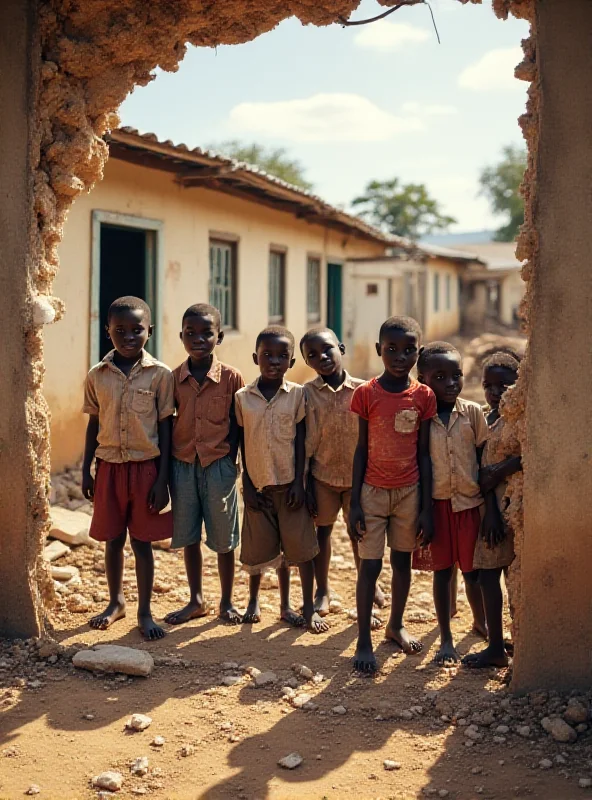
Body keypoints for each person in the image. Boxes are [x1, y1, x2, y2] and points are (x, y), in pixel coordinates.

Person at [81, 296, 174, 640]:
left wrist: (162, 478)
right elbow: (93, 423)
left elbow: (165, 427)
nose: (129, 336)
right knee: (113, 539)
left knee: (142, 542)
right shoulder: (97, 375)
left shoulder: (160, 375)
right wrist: (85, 468)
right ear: (108, 332)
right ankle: (115, 601)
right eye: (120, 330)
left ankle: (145, 611)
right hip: (109, 468)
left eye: (137, 329)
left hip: (145, 468)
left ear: (149, 331)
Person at [349, 316, 436, 672]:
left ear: (418, 351)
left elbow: (425, 454)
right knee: (369, 567)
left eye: (409, 350)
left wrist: (426, 509)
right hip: (371, 491)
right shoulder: (366, 394)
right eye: (392, 350)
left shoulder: (424, 396)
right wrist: (354, 503)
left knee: (402, 563)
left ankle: (395, 624)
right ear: (378, 351)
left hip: (409, 492)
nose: (400, 356)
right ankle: (364, 640)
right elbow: (360, 450)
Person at [235, 325, 328, 634]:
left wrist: (300, 484)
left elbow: (302, 442)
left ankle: (298, 606)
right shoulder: (242, 398)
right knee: (260, 552)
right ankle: (253, 601)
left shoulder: (298, 395)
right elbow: (240, 442)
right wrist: (246, 485)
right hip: (259, 486)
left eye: (282, 356)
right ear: (255, 357)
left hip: (290, 487)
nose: (274, 361)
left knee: (298, 551)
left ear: (291, 361)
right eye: (267, 355)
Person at [164, 303, 244, 626]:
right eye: (190, 333)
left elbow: (238, 425)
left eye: (206, 333)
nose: (198, 339)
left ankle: (226, 601)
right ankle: (195, 599)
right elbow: (167, 425)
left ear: (219, 337)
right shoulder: (173, 379)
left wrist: (232, 462)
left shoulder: (231, 378)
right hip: (182, 465)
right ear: (181, 337)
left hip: (218, 466)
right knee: (188, 535)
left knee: (224, 538)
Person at [301, 328, 386, 621]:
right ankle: (322, 589)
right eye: (312, 355)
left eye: (327, 350)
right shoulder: (307, 394)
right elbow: (303, 442)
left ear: (341, 347)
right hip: (321, 476)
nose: (321, 357)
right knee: (322, 532)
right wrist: (304, 483)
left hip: (358, 480)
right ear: (306, 361)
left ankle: (368, 587)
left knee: (360, 534)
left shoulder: (364, 390)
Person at [416, 342, 489, 663]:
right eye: (440, 376)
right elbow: (419, 468)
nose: (450, 383)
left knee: (474, 574)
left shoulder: (472, 413)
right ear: (423, 379)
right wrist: (424, 514)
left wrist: (490, 511)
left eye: (456, 375)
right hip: (439, 508)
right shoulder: (421, 419)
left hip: (471, 506)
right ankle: (446, 637)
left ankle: (480, 622)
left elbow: (484, 460)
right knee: (443, 573)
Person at [463, 352, 521, 668]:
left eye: (504, 385)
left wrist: (501, 470)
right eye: (488, 385)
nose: (495, 393)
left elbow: (528, 458)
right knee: (487, 577)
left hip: (515, 511)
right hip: (491, 514)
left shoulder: (520, 423)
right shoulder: (484, 420)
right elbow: (478, 474)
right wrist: (491, 512)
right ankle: (496, 646)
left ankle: (520, 642)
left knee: (515, 580)